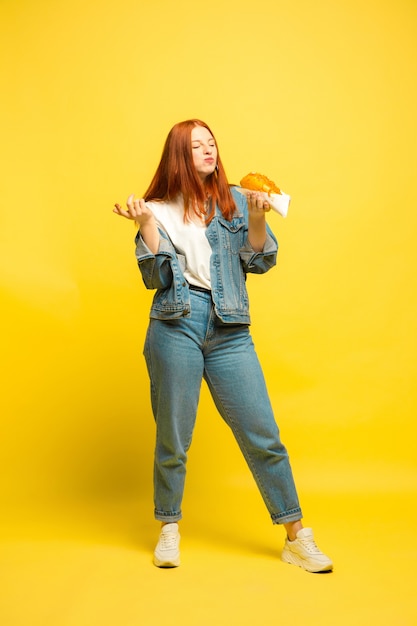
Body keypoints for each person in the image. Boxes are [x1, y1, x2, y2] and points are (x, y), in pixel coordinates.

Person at [113, 119, 333, 573]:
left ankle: (296, 537)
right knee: (174, 436)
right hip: (177, 322)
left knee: (264, 435)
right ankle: (169, 527)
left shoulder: (235, 197)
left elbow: (259, 260)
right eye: (197, 146)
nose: (208, 150)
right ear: (179, 154)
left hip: (230, 324)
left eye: (211, 142)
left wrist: (256, 217)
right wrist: (146, 226)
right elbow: (155, 276)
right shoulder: (156, 208)